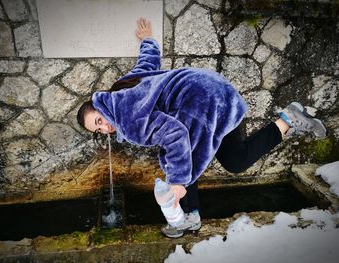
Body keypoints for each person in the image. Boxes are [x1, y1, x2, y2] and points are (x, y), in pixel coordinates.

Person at [77, 18, 327, 238]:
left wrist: (176, 184)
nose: (105, 127)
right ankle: (289, 119)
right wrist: (148, 40)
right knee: (235, 161)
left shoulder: (128, 119)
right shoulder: (122, 88)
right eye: (98, 130)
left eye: (99, 120)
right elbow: (148, 63)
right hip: (217, 90)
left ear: (99, 105)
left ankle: (189, 216)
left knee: (178, 161)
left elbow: (176, 135)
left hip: (201, 103)